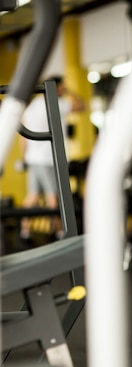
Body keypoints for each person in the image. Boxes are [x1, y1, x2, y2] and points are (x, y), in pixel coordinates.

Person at [19, 75, 85, 244]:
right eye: (62, 88)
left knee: (33, 195)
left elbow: (22, 137)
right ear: (56, 88)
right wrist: (69, 91)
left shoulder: (33, 105)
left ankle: (24, 232)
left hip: (33, 158)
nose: (63, 91)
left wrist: (23, 157)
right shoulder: (55, 103)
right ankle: (61, 233)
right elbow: (81, 106)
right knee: (52, 197)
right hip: (48, 158)